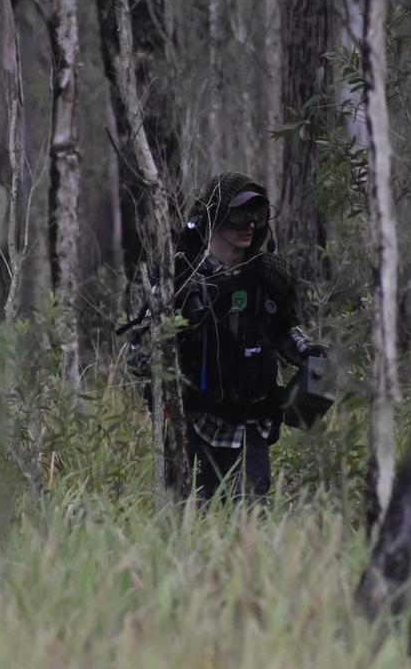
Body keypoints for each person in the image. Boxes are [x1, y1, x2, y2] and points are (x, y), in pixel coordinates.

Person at [133, 172, 327, 502]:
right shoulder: (179, 279)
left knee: (250, 524)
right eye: (239, 215)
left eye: (258, 215)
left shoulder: (266, 278)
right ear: (216, 217)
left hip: (250, 430)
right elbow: (138, 355)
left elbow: (284, 330)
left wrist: (315, 357)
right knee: (192, 526)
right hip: (193, 431)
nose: (250, 224)